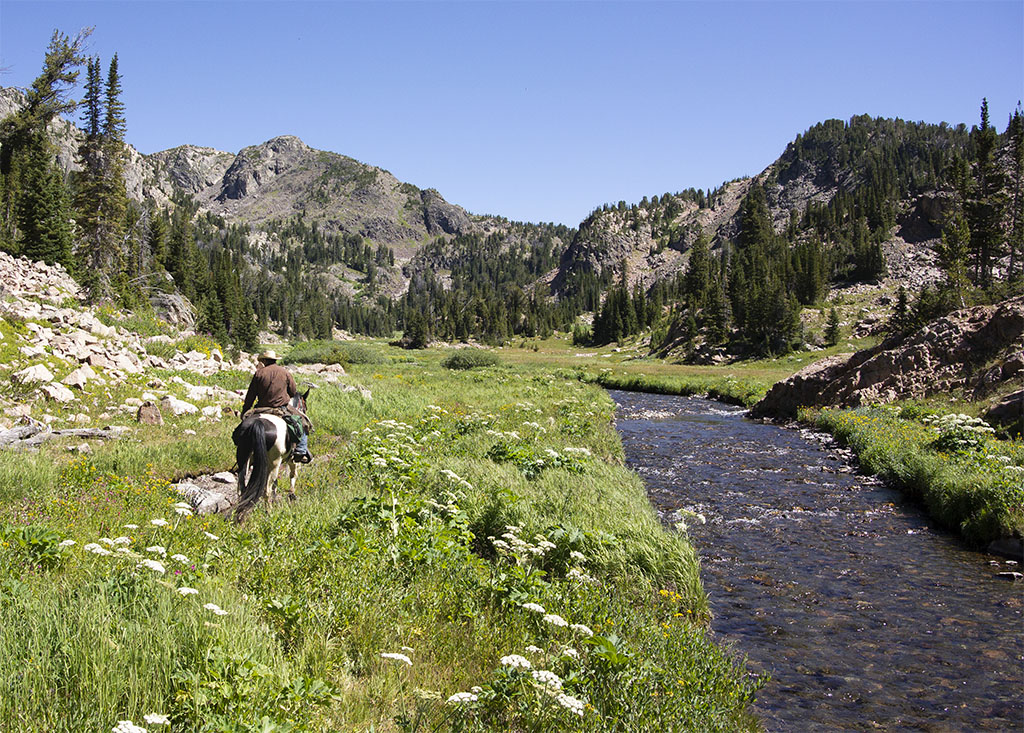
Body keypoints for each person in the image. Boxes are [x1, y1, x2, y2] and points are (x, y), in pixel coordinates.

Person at [240, 350, 313, 463]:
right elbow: (293, 392)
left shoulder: (259, 373)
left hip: (261, 408)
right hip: (281, 408)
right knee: (303, 422)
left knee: (243, 426)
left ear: (264, 361)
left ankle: (241, 445)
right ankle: (301, 450)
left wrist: (245, 410)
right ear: (275, 360)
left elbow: (251, 395)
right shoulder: (285, 372)